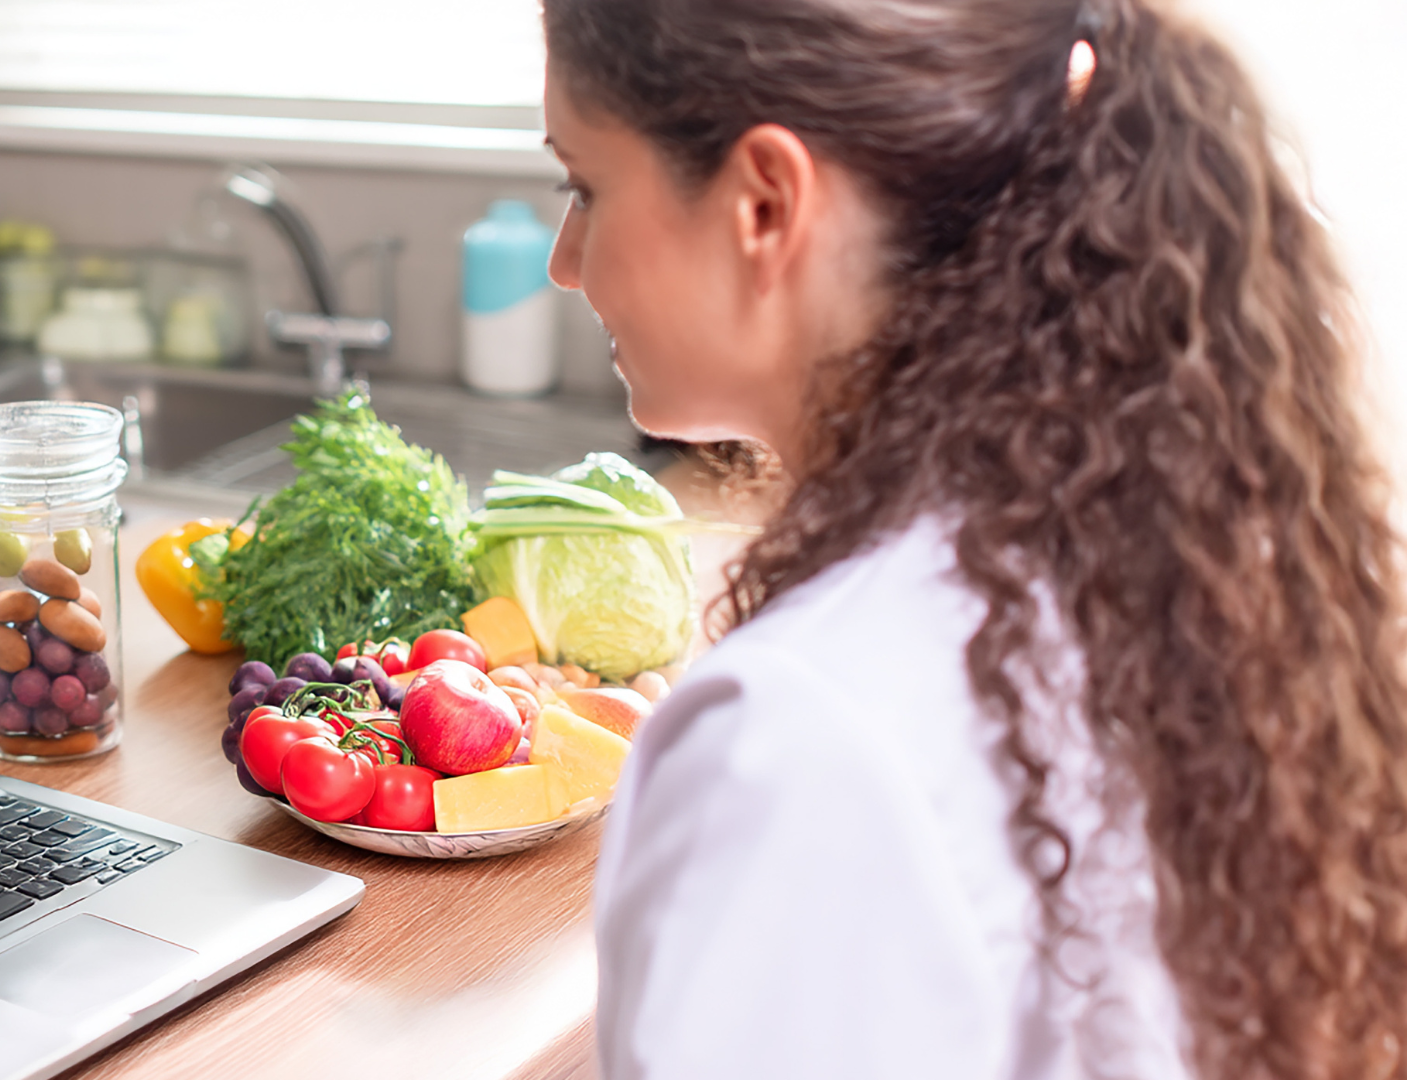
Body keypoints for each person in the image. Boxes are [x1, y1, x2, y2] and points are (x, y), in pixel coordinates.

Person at [541, 0, 1407, 1077]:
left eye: (584, 184)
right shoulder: (1176, 559)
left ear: (764, 203)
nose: (564, 261)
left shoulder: (796, 745)